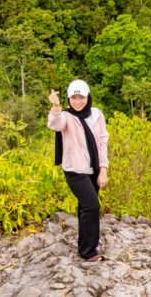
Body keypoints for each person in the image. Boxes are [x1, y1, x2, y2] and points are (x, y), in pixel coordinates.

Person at [47, 79, 109, 261]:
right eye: (73, 98)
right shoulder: (67, 116)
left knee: (84, 208)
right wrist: (56, 106)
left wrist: (103, 169)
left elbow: (102, 141)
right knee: (92, 206)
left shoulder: (96, 114)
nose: (77, 101)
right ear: (68, 99)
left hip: (94, 168)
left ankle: (88, 242)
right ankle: (88, 252)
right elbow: (55, 124)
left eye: (81, 97)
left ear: (87, 97)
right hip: (75, 170)